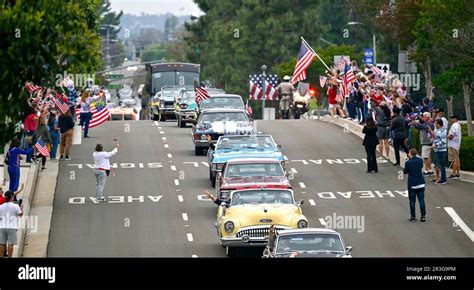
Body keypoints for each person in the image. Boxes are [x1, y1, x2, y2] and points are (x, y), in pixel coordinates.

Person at [403, 149, 426, 222]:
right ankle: (423, 216)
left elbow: (405, 172)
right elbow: (421, 167)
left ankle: (413, 217)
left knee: (412, 201)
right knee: (421, 200)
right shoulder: (420, 160)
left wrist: (407, 161)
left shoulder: (408, 163)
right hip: (420, 182)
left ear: (410, 154)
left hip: (412, 184)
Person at [0, 191, 23, 257]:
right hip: (12, 227)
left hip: (2, 227)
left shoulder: (1, 206)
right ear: (12, 197)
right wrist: (21, 207)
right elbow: (20, 214)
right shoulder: (15, 206)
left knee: (2, 243)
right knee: (10, 243)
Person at [430, 119, 447, 184]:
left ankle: (443, 179)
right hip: (437, 150)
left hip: (441, 150)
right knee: (437, 164)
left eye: (436, 124)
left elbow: (443, 141)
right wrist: (433, 141)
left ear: (439, 124)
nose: (435, 125)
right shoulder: (439, 130)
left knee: (441, 165)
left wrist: (436, 145)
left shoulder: (443, 131)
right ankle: (438, 177)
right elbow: (437, 139)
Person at [447, 115, 462, 179]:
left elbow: (451, 136)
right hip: (456, 145)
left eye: (452, 118)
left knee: (454, 160)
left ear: (455, 119)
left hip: (453, 145)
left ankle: (454, 173)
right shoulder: (458, 125)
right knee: (457, 159)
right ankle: (458, 173)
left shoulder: (454, 125)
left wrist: (446, 136)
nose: (451, 120)